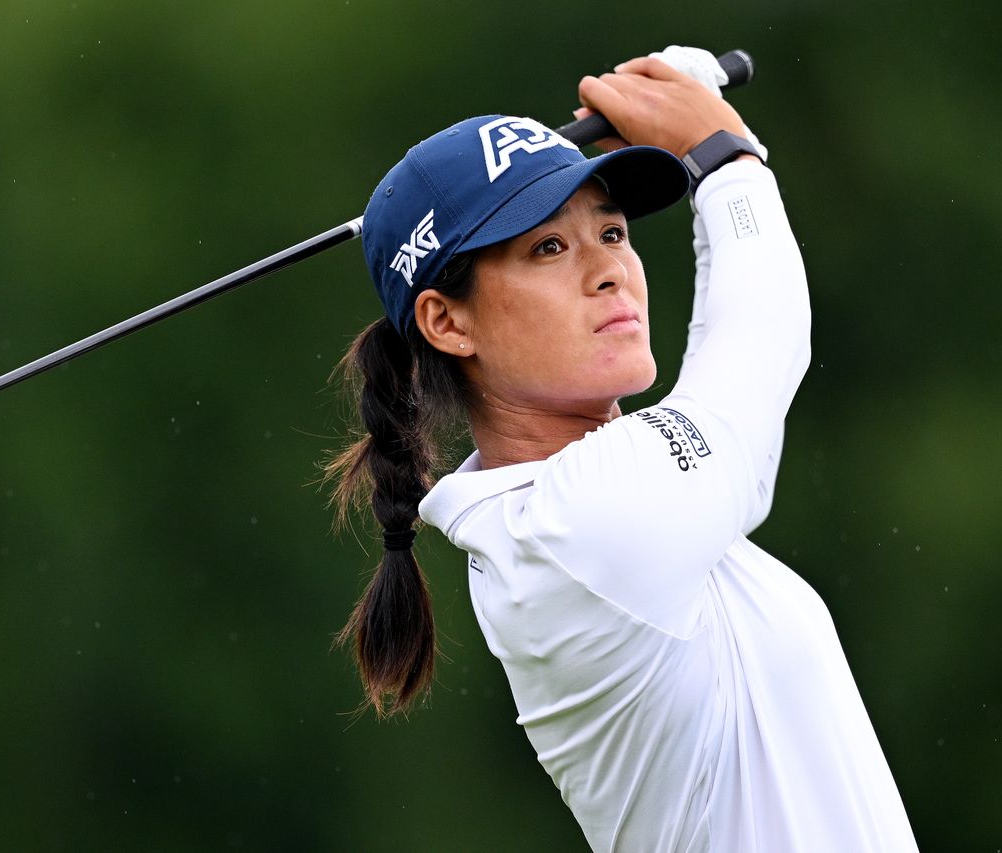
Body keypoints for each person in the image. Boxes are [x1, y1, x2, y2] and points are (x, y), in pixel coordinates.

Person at [326, 47, 918, 852]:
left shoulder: (575, 512)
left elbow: (729, 365)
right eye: (548, 248)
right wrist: (724, 157)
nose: (609, 270)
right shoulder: (566, 532)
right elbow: (753, 355)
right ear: (447, 322)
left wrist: (718, 161)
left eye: (610, 230)